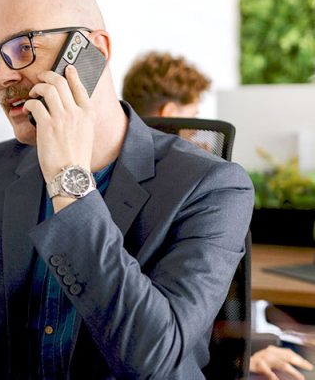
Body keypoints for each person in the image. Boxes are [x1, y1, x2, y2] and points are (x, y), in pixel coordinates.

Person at [0, 0, 255, 379]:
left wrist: (68, 181)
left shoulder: (212, 188)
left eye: (23, 48)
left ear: (93, 50)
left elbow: (152, 360)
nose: (3, 76)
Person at [123, 51, 315, 380]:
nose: (200, 133)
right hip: (204, 357)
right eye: (194, 116)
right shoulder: (196, 193)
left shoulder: (111, 184)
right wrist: (245, 353)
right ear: (171, 116)